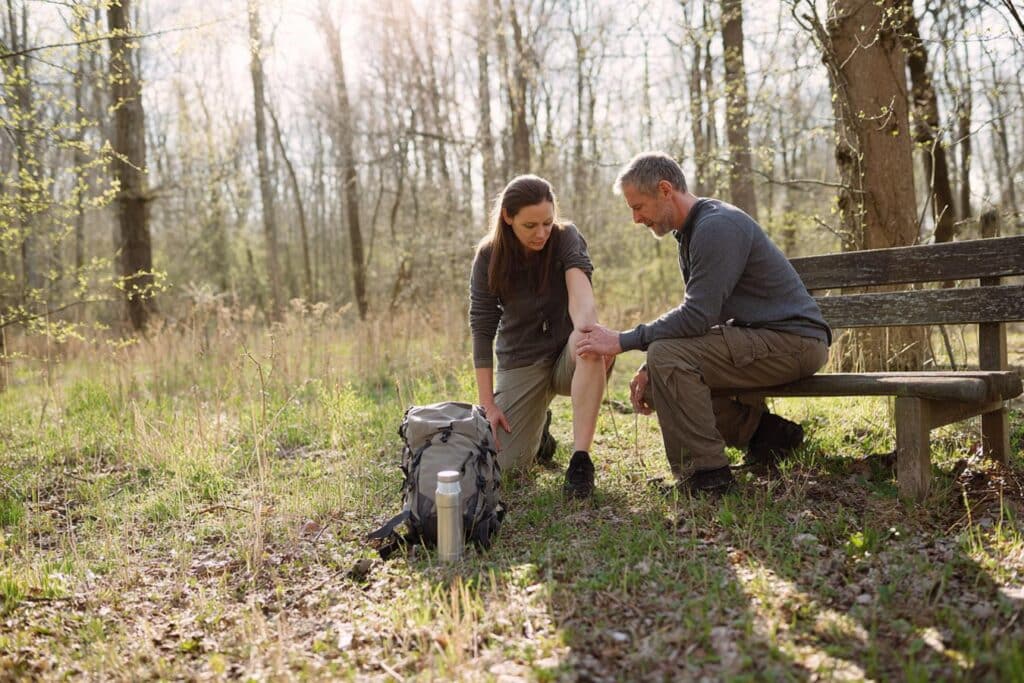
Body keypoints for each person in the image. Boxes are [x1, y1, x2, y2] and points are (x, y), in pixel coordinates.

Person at [576, 152, 831, 494]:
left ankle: (707, 477)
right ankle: (767, 435)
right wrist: (650, 360)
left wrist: (623, 340)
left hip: (794, 342)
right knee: (657, 379)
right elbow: (705, 318)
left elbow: (697, 316)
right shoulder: (691, 232)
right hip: (762, 340)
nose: (636, 218)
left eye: (638, 207)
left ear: (665, 189)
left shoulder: (716, 227)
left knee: (666, 358)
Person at [469, 175, 612, 498]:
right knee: (506, 467)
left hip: (568, 355)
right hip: (521, 360)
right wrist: (488, 404)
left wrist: (586, 332)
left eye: (547, 222)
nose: (541, 233)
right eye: (530, 225)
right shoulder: (489, 256)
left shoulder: (566, 237)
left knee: (589, 338)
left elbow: (581, 298)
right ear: (508, 217)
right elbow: (482, 328)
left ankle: (580, 460)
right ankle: (540, 431)